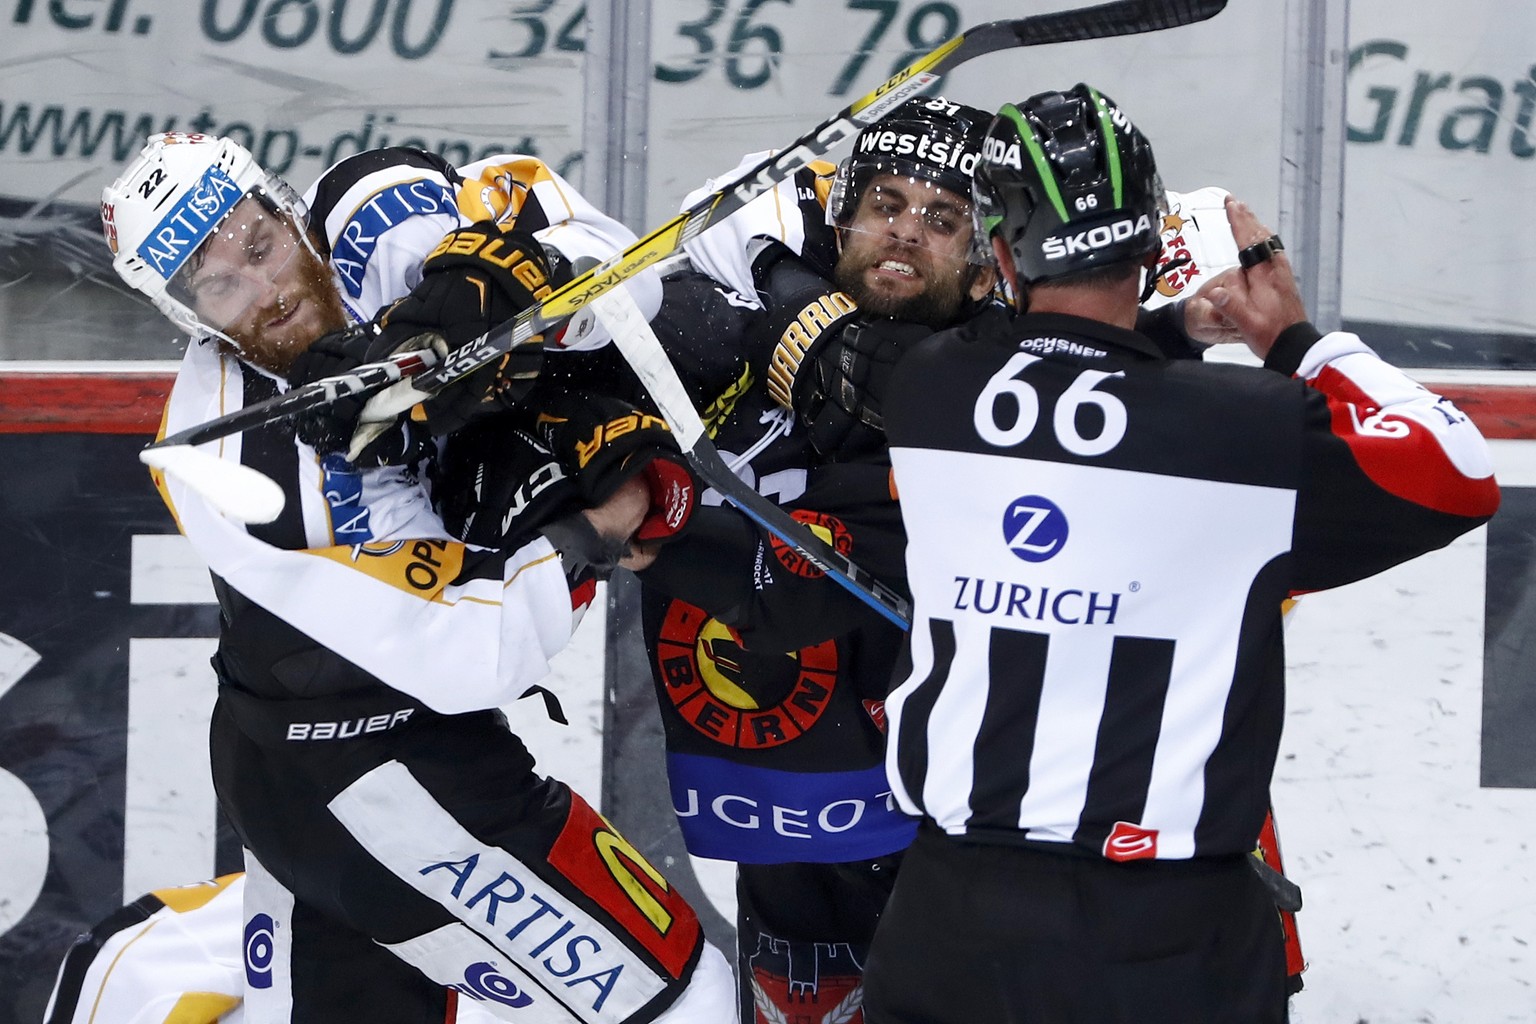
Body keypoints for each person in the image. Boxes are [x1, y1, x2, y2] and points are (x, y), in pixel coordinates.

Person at [857, 84, 1500, 1023]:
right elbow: (1457, 472)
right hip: (1165, 935)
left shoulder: (932, 390)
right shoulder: (1249, 435)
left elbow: (1046, 365)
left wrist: (1169, 329)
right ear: (1158, 251)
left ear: (1001, 254)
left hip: (950, 925)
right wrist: (1293, 341)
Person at [98, 132, 733, 1023]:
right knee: (682, 997)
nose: (266, 288)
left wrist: (538, 284)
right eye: (219, 286)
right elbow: (475, 652)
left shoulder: (377, 211)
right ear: (191, 318)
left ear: (287, 209)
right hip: (379, 782)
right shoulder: (244, 466)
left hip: (288, 756)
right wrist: (602, 519)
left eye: (259, 243)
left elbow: (626, 270)